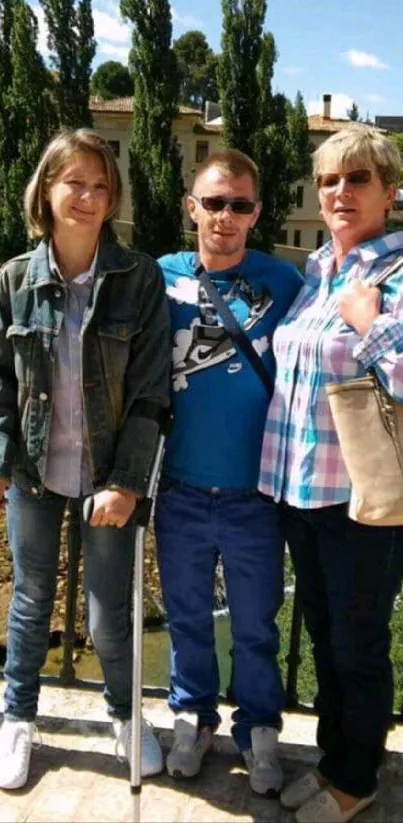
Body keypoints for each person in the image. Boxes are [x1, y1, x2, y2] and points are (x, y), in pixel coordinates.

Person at [0, 128, 171, 790]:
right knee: (31, 600)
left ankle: (125, 714)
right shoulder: (14, 280)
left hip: (108, 476)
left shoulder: (138, 278)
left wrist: (128, 483)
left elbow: (150, 393)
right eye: (75, 181)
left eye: (102, 186)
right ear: (46, 188)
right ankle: (17, 716)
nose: (90, 196)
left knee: (107, 610)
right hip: (35, 474)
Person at [259, 126, 403, 823]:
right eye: (327, 181)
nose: (338, 193)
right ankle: (330, 757)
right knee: (322, 634)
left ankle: (356, 778)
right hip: (298, 489)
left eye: (356, 179)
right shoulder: (315, 269)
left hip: (361, 500)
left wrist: (369, 326)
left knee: (358, 642)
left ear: (389, 192)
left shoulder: (394, 275)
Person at [155, 148, 303, 794]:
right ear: (191, 207)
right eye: (212, 202)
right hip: (180, 487)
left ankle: (259, 726)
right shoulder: (157, 277)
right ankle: (191, 714)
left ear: (256, 213)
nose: (224, 215)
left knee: (253, 621)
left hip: (254, 493)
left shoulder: (284, 280)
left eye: (238, 204)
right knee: (187, 613)